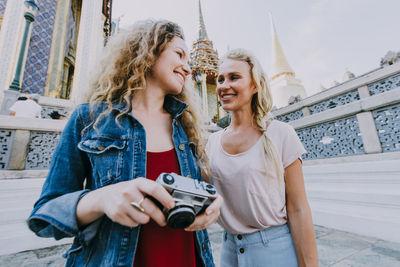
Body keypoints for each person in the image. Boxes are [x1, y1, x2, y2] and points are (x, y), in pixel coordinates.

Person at [27, 19, 222, 267]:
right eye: (179, 54)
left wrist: (212, 203)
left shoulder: (185, 126)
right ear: (149, 51)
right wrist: (100, 199)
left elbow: (198, 191)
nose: (188, 67)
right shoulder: (90, 119)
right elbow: (44, 216)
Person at [206, 49, 318, 267]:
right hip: (229, 250)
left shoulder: (280, 133)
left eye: (234, 77)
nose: (223, 85)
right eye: (220, 79)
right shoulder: (212, 142)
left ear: (255, 85)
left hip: (274, 249)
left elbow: (298, 208)